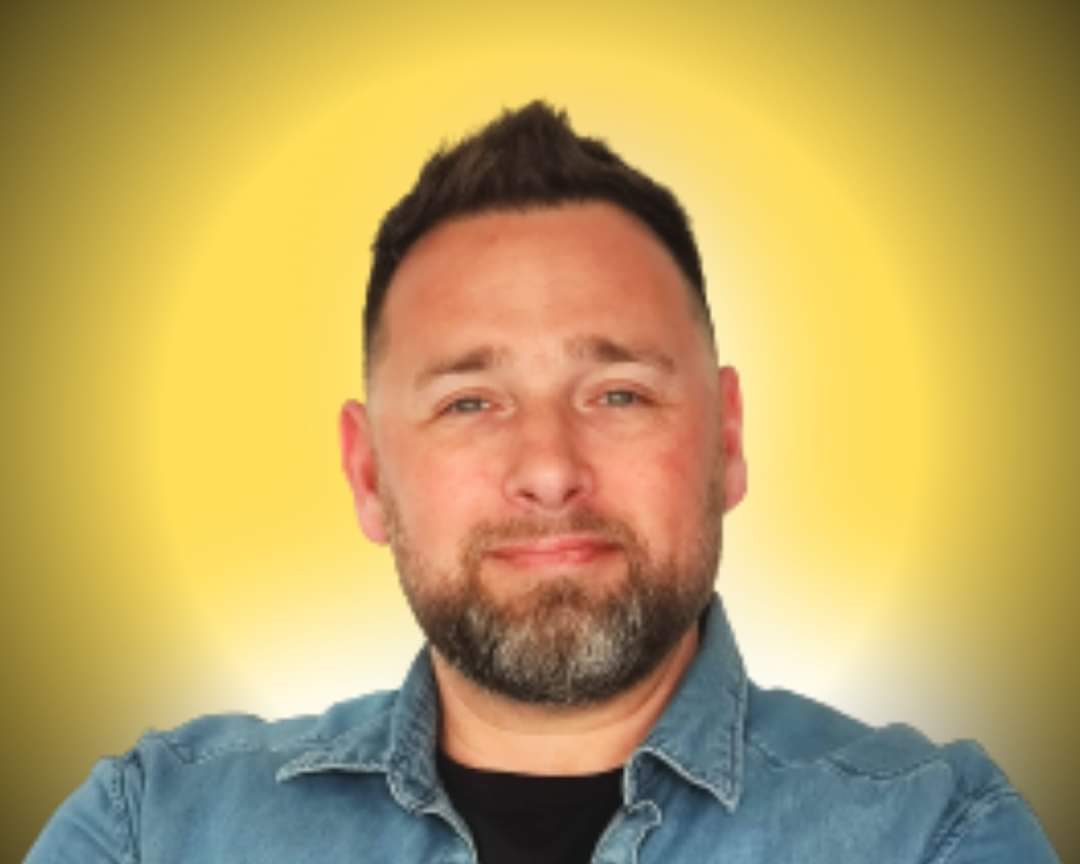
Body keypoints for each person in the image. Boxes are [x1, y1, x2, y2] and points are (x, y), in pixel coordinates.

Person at [26, 101, 1058, 864]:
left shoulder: (933, 832)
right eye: (471, 402)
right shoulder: (152, 827)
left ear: (727, 439)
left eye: (617, 394)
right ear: (368, 472)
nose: (551, 470)